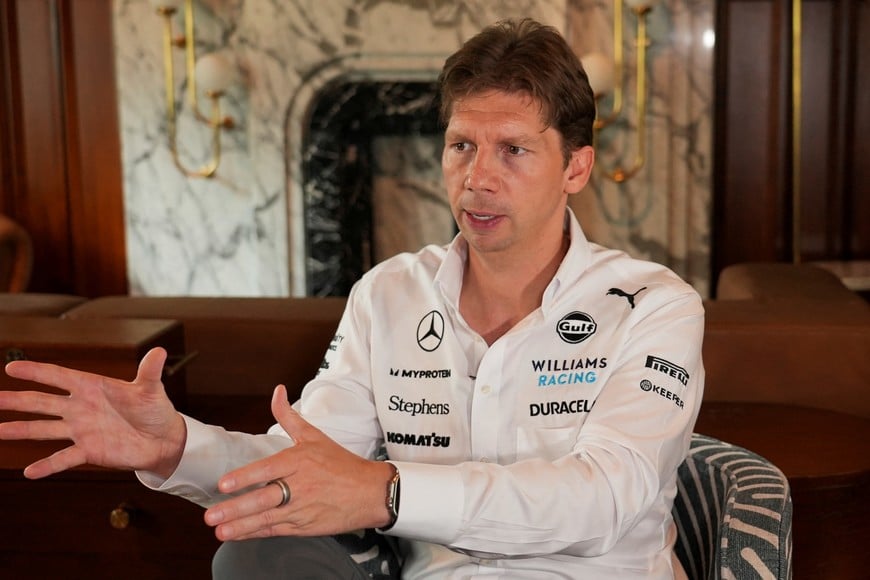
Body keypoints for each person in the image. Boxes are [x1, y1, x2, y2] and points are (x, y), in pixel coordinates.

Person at [0, 18, 704, 579]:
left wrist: (386, 492)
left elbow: (606, 497)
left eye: (513, 150)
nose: (477, 177)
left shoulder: (654, 305)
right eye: (461, 145)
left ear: (576, 166)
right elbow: (302, 462)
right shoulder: (389, 294)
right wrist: (174, 447)